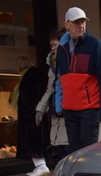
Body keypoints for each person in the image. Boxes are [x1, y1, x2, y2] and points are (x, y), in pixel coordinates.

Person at [55, 7, 101, 154]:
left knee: (88, 151)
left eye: (83, 22)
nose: (80, 25)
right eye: (76, 23)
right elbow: (59, 80)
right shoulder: (61, 49)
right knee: (73, 151)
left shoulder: (95, 45)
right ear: (67, 24)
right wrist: (58, 106)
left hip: (89, 109)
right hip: (69, 110)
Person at [11, 56, 51, 176]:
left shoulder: (28, 77)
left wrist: (28, 112)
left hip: (31, 115)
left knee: (33, 140)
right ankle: (40, 165)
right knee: (38, 139)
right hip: (39, 112)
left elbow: (26, 97)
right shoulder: (37, 74)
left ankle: (41, 165)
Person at [35, 29, 68, 158]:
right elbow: (50, 89)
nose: (53, 48)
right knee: (61, 153)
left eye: (56, 45)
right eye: (52, 45)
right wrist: (41, 109)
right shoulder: (52, 65)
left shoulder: (69, 63)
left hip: (68, 113)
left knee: (69, 153)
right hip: (57, 114)